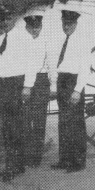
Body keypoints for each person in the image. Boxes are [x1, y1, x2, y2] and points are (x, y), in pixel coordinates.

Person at [0, 11, 44, 182]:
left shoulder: (24, 38)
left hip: (17, 85)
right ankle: (16, 164)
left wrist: (28, 86)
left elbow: (31, 64)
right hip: (2, 86)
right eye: (3, 18)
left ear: (14, 19)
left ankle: (13, 165)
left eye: (9, 18)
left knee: (16, 126)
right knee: (6, 126)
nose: (5, 21)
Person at [51, 9, 93, 173]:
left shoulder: (82, 41)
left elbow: (85, 68)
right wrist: (54, 85)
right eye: (64, 23)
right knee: (63, 121)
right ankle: (64, 159)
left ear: (75, 24)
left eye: (69, 24)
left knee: (76, 123)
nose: (66, 27)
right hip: (62, 81)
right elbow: (55, 64)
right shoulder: (61, 39)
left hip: (74, 82)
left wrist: (77, 90)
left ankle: (78, 161)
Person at [23, 14, 57, 168]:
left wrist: (53, 86)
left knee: (39, 121)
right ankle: (25, 154)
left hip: (41, 81)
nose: (34, 30)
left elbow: (52, 65)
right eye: (32, 27)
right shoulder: (22, 42)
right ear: (27, 27)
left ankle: (36, 157)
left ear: (41, 27)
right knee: (24, 119)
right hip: (24, 83)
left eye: (37, 27)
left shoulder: (46, 42)